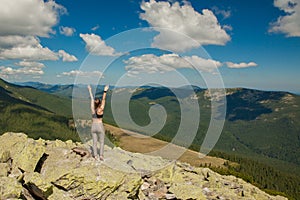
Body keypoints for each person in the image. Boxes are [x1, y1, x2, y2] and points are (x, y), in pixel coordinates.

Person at [88, 84, 109, 161]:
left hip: (93, 126)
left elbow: (91, 99)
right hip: (100, 125)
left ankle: (95, 156)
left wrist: (90, 90)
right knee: (102, 142)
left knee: (94, 142)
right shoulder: (100, 109)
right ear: (99, 103)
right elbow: (104, 100)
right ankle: (101, 156)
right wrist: (105, 90)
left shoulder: (92, 109)